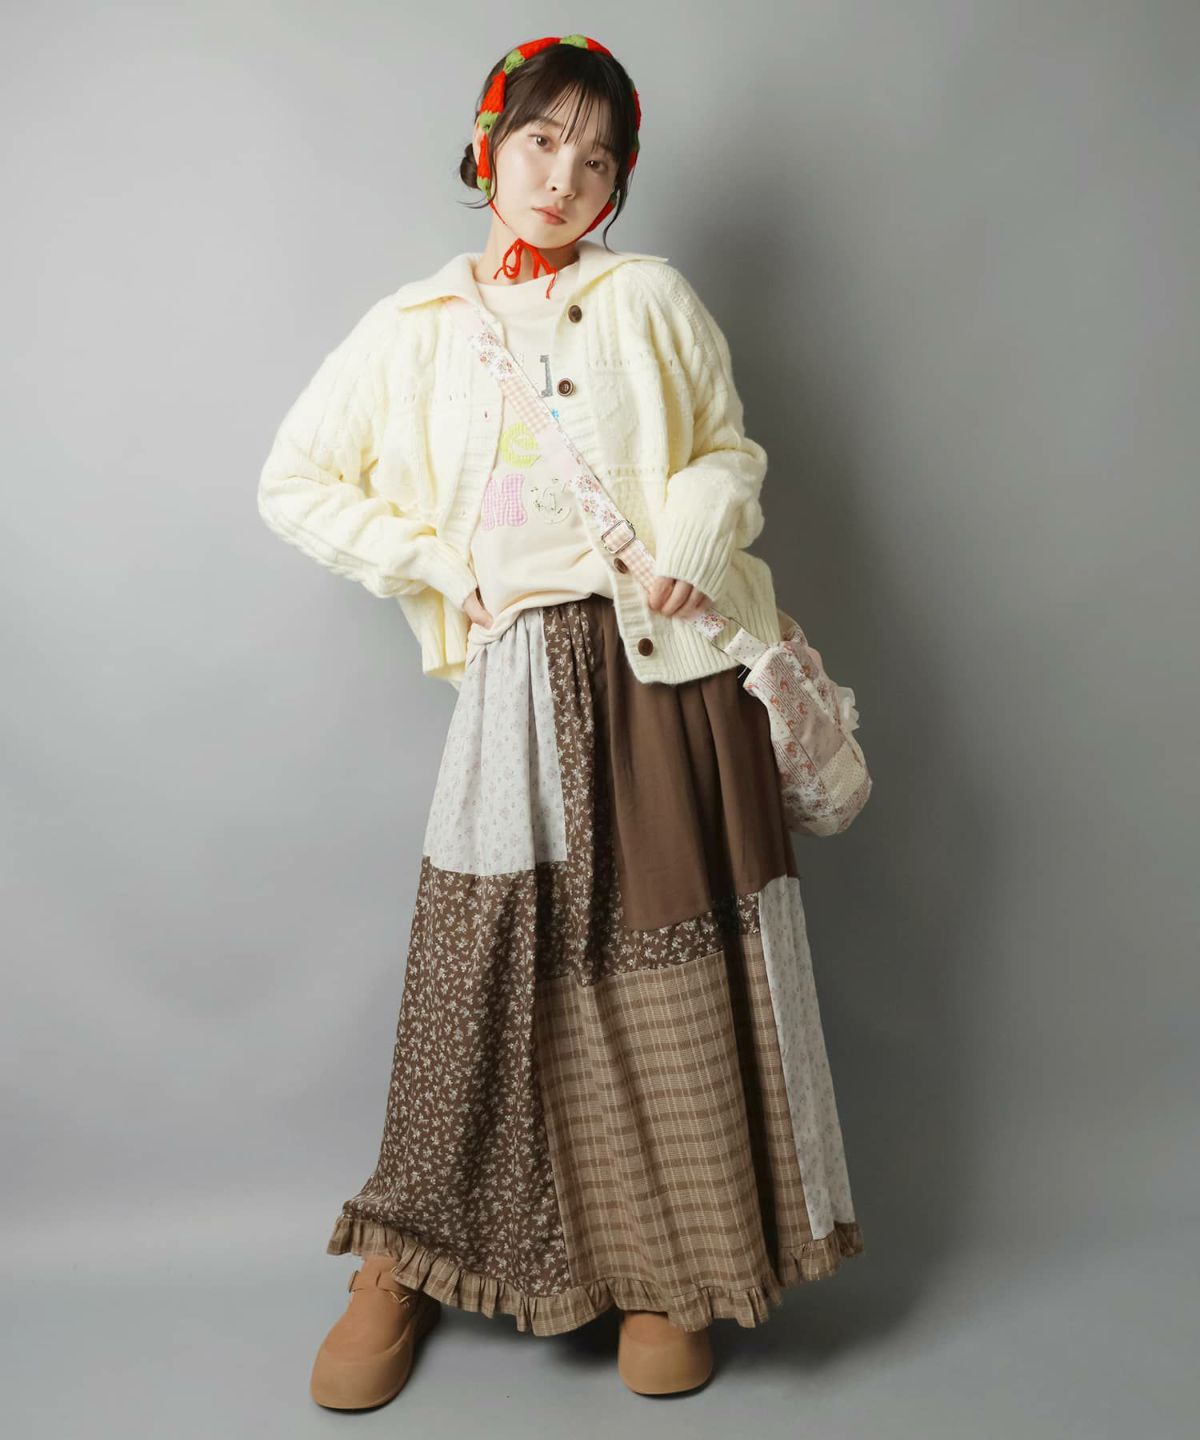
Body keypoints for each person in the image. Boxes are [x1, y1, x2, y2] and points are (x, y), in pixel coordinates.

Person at [257, 33, 864, 1406]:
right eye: (541, 141)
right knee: (481, 962)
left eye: (596, 160)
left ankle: (671, 1270)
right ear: (490, 144)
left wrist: (693, 535)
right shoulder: (413, 327)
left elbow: (728, 453)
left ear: (616, 186)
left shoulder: (649, 297)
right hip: (519, 673)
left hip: (672, 671)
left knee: (670, 963)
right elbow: (297, 481)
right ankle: (402, 1260)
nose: (562, 178)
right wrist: (439, 564)